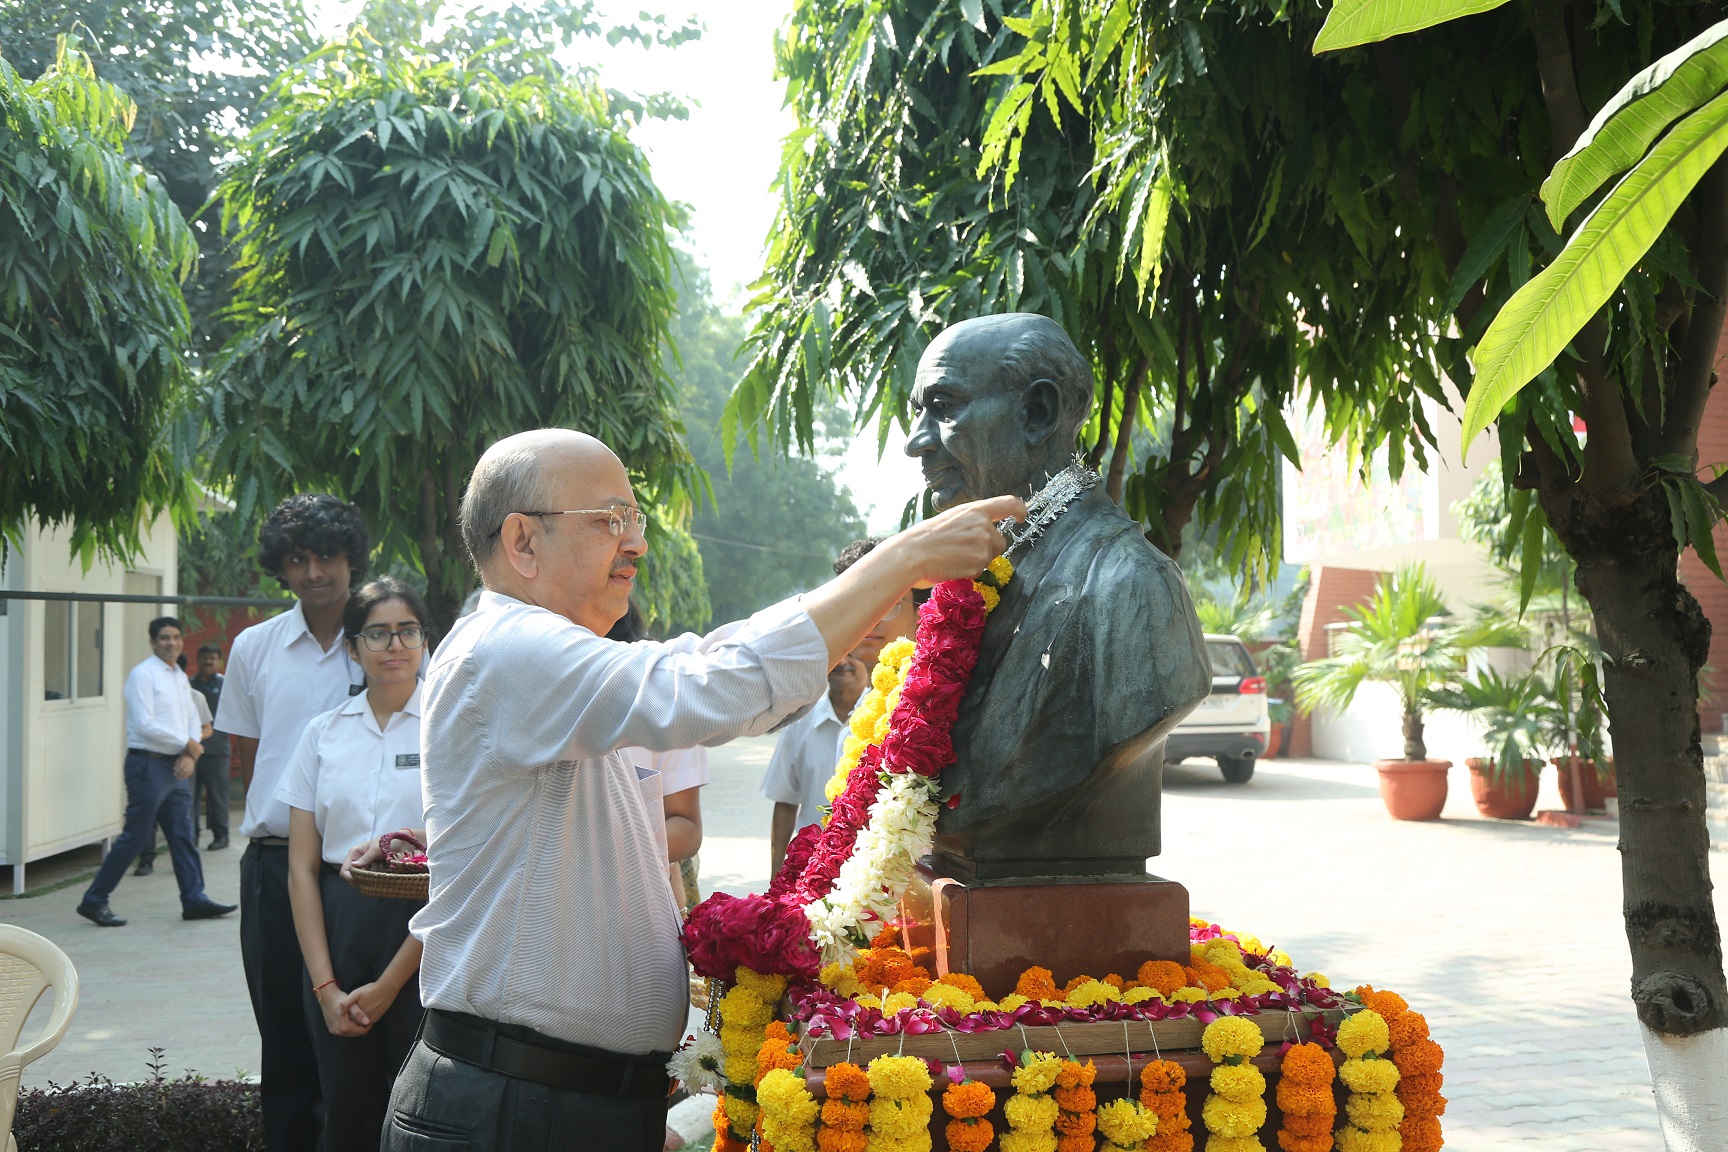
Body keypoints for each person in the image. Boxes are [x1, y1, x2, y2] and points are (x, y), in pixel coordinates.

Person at [376, 428, 1020, 1152]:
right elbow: (717, 683)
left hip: (572, 1101)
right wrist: (900, 563)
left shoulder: (555, 664)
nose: (637, 544)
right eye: (609, 519)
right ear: (523, 541)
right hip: (515, 1108)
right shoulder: (505, 650)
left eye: (634, 520)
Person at [217, 494, 370, 1152]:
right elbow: (250, 756)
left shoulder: (385, 644)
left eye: (327, 556)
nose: (314, 572)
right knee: (283, 1041)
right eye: (298, 559)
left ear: (352, 560)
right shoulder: (255, 647)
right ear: (281, 569)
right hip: (274, 869)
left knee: (360, 1036)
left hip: (361, 874)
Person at [278, 578, 432, 1152]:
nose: (394, 645)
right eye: (377, 633)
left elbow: (466, 861)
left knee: (419, 1107)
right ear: (352, 648)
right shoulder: (322, 735)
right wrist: (324, 985)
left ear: (424, 641)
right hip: (338, 929)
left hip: (428, 928)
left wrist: (392, 984)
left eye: (407, 631)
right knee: (343, 1107)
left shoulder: (452, 733)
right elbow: (300, 869)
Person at [761, 538, 923, 875]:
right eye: (859, 601)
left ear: (921, 610)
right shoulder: (862, 704)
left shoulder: (933, 696)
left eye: (889, 600)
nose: (871, 616)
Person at [75, 617, 237, 926]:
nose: (171, 642)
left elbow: (191, 717)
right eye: (164, 638)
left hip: (174, 766)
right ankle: (94, 900)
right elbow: (145, 724)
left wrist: (189, 753)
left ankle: (194, 899)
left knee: (183, 835)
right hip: (147, 765)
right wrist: (188, 744)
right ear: (152, 642)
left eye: (176, 637)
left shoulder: (178, 675)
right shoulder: (143, 675)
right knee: (136, 836)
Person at [135, 654, 213, 877]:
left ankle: (189, 876)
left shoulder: (194, 697)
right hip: (151, 762)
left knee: (183, 816)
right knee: (146, 814)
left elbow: (205, 728)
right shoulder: (150, 693)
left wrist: (191, 750)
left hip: (183, 763)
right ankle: (146, 859)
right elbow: (145, 726)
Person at [190, 644, 232, 850]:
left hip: (218, 749)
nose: (208, 661)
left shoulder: (226, 684)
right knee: (190, 797)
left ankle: (221, 835)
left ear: (219, 661)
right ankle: (192, 837)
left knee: (217, 796)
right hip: (191, 749)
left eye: (212, 658)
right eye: (204, 657)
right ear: (197, 660)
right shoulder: (188, 685)